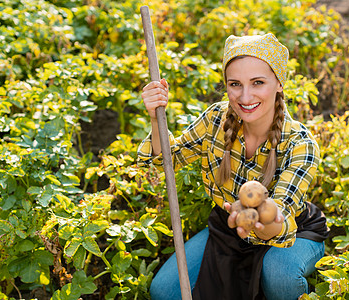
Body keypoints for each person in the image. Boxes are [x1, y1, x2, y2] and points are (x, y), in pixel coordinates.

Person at [138, 33, 329, 300]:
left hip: (290, 234)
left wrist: (262, 219)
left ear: (279, 84)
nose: (245, 95)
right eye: (235, 84)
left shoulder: (300, 144)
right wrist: (154, 115)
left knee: (279, 276)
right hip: (229, 229)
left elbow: (281, 220)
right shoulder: (217, 118)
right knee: (164, 291)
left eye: (258, 82)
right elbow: (166, 160)